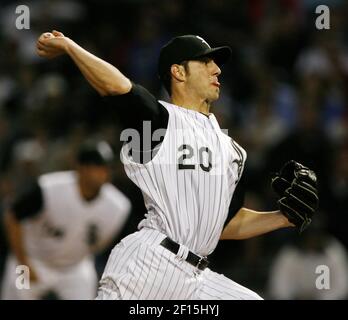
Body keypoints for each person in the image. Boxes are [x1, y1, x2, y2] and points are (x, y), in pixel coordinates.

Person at [36, 31, 318, 300]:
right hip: (149, 263)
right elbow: (115, 86)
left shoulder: (234, 152)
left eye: (216, 64)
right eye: (205, 62)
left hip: (196, 277)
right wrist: (69, 47)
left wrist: (282, 218)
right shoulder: (159, 123)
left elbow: (224, 224)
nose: (217, 70)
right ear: (178, 72)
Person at [1, 140, 131, 299]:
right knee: (17, 291)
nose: (100, 172)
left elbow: (103, 245)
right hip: (31, 260)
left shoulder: (118, 206)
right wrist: (22, 261)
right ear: (80, 168)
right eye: (94, 166)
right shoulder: (49, 188)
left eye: (104, 167)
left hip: (74, 267)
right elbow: (13, 217)